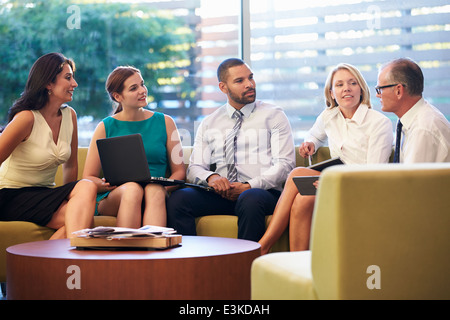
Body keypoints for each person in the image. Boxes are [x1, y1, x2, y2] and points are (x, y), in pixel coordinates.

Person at [259, 63, 393, 254]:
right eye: (339, 85)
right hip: (334, 184)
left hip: (362, 190)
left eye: (352, 83)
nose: (346, 88)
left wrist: (333, 183)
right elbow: (314, 135)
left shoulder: (379, 123)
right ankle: (298, 266)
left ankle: (264, 245)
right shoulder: (329, 116)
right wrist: (310, 144)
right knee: (302, 201)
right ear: (331, 93)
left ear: (361, 89)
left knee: (297, 173)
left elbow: (373, 175)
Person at [166, 58, 295, 241]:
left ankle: (245, 267)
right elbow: (195, 168)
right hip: (222, 195)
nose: (249, 84)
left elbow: (285, 165)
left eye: (250, 78)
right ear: (223, 87)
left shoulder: (274, 115)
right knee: (179, 200)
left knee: (250, 199)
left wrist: (249, 185)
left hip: (261, 193)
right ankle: (190, 264)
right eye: (239, 81)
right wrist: (212, 177)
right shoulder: (210, 122)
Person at [0, 52, 97, 239]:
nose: (74, 84)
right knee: (83, 220)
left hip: (44, 194)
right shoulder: (26, 118)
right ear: (48, 84)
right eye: (68, 78)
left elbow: (70, 166)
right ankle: (69, 262)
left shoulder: (71, 116)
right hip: (11, 195)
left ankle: (40, 265)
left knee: (85, 190)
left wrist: (72, 200)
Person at [82, 66, 185, 228]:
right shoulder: (105, 126)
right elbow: (88, 177)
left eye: (142, 84)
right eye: (133, 88)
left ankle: (154, 250)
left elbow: (179, 172)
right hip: (117, 194)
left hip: (156, 191)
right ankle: (126, 250)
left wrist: (159, 184)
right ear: (117, 96)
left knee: (154, 190)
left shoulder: (166, 122)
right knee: (132, 189)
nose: (142, 90)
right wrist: (108, 185)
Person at [376, 58, 450, 163]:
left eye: (380, 89)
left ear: (398, 90)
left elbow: (412, 179)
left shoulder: (422, 129)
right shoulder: (409, 121)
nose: (377, 95)